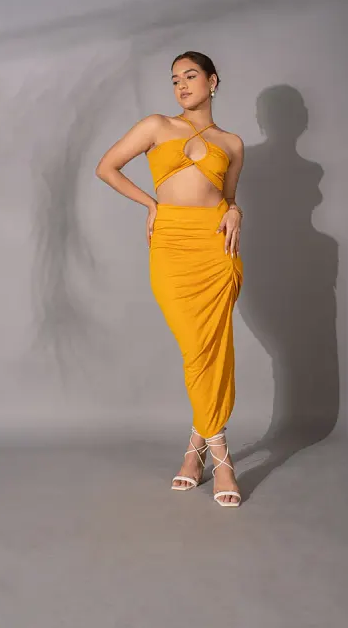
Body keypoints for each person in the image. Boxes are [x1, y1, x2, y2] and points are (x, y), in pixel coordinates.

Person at [96, 51, 244, 507]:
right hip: (172, 244)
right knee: (195, 349)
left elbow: (229, 197)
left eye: (190, 76)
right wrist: (150, 204)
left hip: (216, 248)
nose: (181, 85)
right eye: (175, 78)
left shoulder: (232, 143)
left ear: (212, 81)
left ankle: (196, 453)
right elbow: (106, 167)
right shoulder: (157, 125)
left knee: (214, 349)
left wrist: (236, 211)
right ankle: (221, 456)